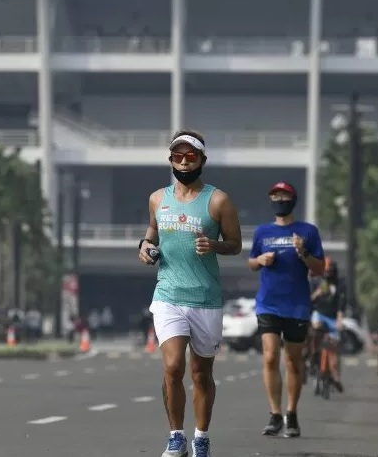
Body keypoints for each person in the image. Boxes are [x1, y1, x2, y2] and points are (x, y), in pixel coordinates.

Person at [139, 130, 242, 457]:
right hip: (168, 294)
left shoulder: (218, 201)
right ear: (171, 160)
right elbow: (151, 233)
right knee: (172, 367)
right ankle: (176, 436)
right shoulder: (158, 198)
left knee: (201, 373)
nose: (184, 162)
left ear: (202, 160)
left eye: (191, 156)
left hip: (205, 298)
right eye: (178, 156)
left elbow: (236, 244)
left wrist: (214, 245)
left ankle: (201, 437)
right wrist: (145, 247)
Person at [248, 181, 325, 438]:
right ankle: (274, 414)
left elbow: (319, 268)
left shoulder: (308, 231)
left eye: (284, 195)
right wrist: (260, 260)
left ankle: (291, 414)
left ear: (293, 199)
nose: (279, 199)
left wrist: (303, 253)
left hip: (297, 304)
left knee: (293, 361)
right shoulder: (262, 232)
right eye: (275, 195)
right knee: (270, 357)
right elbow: (251, 261)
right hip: (268, 302)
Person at [310, 257, 345, 392]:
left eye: (331, 271)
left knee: (334, 350)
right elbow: (310, 300)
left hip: (333, 318)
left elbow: (342, 303)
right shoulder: (318, 282)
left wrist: (340, 319)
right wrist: (317, 293)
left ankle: (336, 377)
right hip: (320, 314)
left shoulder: (340, 284)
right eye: (327, 270)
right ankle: (313, 358)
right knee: (315, 330)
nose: (329, 273)